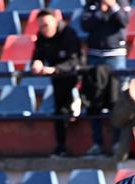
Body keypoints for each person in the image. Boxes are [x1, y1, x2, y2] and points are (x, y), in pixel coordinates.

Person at [32, 10, 84, 157]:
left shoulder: (68, 34)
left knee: (79, 110)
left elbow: (75, 61)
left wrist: (55, 69)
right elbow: (38, 54)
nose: (44, 29)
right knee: (59, 111)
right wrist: (37, 62)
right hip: (57, 79)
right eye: (41, 26)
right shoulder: (41, 36)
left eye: (46, 25)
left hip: (75, 77)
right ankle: (61, 147)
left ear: (55, 21)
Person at [80, 0, 129, 156]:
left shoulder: (121, 2)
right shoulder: (91, 3)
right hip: (94, 56)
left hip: (115, 56)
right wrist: (100, 11)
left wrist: (112, 6)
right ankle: (97, 143)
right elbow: (86, 25)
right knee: (94, 100)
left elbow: (123, 21)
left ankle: (116, 143)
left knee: (115, 99)